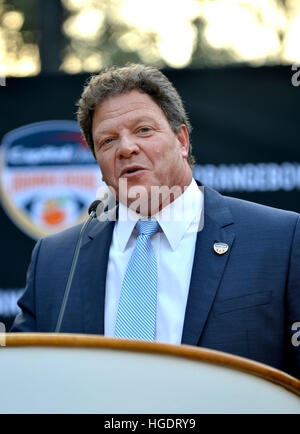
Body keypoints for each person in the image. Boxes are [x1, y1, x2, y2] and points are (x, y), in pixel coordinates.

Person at [11, 64, 300, 378]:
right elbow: (24, 381)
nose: (126, 148)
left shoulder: (279, 240)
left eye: (143, 130)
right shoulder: (54, 260)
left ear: (182, 140)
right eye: (107, 141)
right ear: (98, 162)